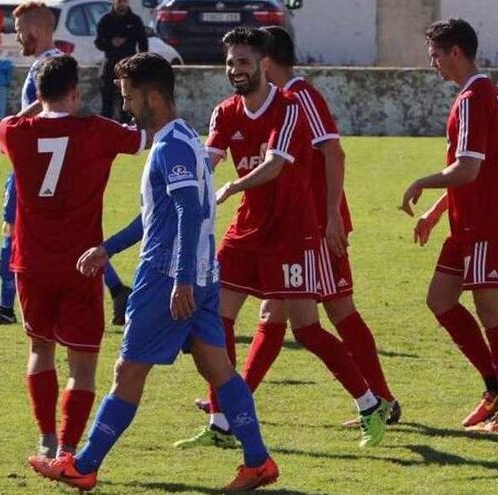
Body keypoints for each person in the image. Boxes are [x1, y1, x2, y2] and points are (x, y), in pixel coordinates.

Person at [28, 52, 279, 493]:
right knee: (218, 368)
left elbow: (186, 210)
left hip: (169, 277)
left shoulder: (171, 146)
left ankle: (83, 465)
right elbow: (155, 215)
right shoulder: (184, 139)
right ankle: (258, 462)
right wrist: (107, 249)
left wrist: (180, 278)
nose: (125, 106)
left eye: (128, 97)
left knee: (128, 372)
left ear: (154, 97)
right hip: (202, 274)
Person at [175, 27, 387, 449]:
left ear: (263, 65)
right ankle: (222, 421)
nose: (236, 70)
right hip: (245, 232)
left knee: (307, 329)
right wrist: (176, 174)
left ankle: (370, 404)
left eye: (245, 62)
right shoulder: (225, 112)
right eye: (231, 62)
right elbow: (210, 160)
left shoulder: (290, 106)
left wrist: (234, 188)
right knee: (216, 321)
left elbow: (275, 163)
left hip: (292, 233)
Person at [0, 53, 145, 461]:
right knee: (83, 364)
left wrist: (39, 105)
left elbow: (11, 123)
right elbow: (143, 137)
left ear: (39, 92)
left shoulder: (15, 131)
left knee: (39, 351)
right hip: (82, 264)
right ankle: (67, 446)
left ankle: (45, 437)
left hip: (31, 265)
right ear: (77, 93)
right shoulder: (97, 131)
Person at [0, 1, 132, 327]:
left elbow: (49, 111)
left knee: (13, 231)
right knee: (74, 235)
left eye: (19, 32)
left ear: (38, 30)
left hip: (36, 167)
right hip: (52, 164)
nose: (18, 39)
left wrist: (15, 123)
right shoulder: (55, 62)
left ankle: (4, 305)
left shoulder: (48, 66)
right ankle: (116, 290)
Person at [402, 18, 498, 432]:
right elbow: (476, 167)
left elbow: (468, 168)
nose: (433, 63)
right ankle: (494, 386)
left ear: (456, 52)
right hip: (467, 222)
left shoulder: (476, 98)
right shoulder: (478, 95)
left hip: (488, 222)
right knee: (440, 299)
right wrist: (437, 212)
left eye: (436, 55)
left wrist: (423, 181)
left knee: (493, 312)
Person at [95, 0, 147, 122]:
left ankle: (127, 130)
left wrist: (141, 64)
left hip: (129, 67)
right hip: (110, 66)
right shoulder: (106, 20)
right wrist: (111, 43)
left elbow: (143, 44)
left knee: (128, 103)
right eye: (119, 1)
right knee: (107, 103)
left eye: (124, 1)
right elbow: (98, 42)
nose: (121, 4)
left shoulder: (135, 20)